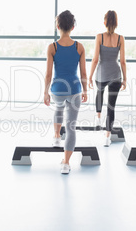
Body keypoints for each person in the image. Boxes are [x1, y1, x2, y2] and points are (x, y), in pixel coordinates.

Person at [44, 10, 88, 174]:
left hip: (57, 89)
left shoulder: (52, 47)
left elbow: (48, 73)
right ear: (72, 27)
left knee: (58, 107)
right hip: (75, 89)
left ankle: (56, 136)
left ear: (58, 27)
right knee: (71, 127)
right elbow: (83, 73)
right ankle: (66, 163)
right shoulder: (79, 47)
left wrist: (45, 92)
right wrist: (85, 90)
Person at [88, 10, 127, 146]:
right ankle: (107, 138)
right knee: (111, 107)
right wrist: (125, 79)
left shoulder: (100, 37)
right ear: (116, 23)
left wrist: (90, 76)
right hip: (116, 74)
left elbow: (95, 59)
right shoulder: (120, 38)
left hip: (101, 73)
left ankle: (98, 117)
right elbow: (122, 61)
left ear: (104, 22)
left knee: (99, 92)